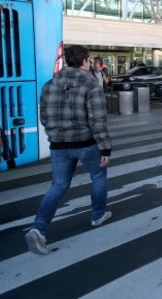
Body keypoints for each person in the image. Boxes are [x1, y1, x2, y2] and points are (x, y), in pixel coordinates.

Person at [25, 45, 112, 255]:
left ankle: (38, 228)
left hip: (58, 145)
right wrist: (105, 148)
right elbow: (98, 120)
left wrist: (54, 135)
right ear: (85, 61)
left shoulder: (49, 84)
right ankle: (97, 215)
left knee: (58, 185)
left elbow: (44, 117)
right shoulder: (91, 84)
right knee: (98, 175)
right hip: (85, 143)